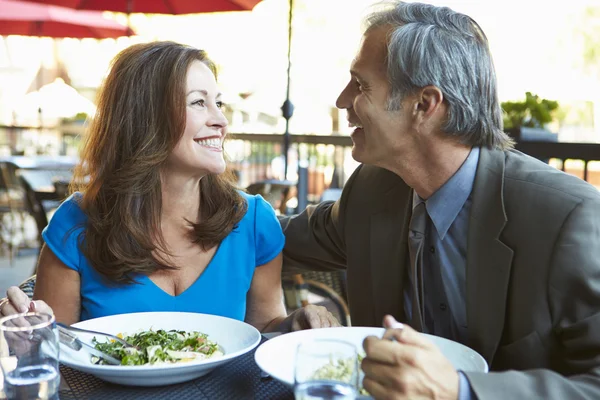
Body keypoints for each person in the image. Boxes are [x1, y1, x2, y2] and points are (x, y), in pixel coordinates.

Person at [280, 2, 600, 399]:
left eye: (360, 85)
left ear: (424, 104)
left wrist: (461, 391)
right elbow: (281, 238)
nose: (342, 100)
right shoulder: (372, 188)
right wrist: (194, 192)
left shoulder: (569, 219)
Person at [0, 41, 339, 333]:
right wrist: (33, 331)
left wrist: (293, 325)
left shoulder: (253, 220)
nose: (221, 120)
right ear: (145, 119)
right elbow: (60, 352)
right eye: (198, 102)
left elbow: (263, 328)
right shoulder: (76, 223)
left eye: (218, 103)